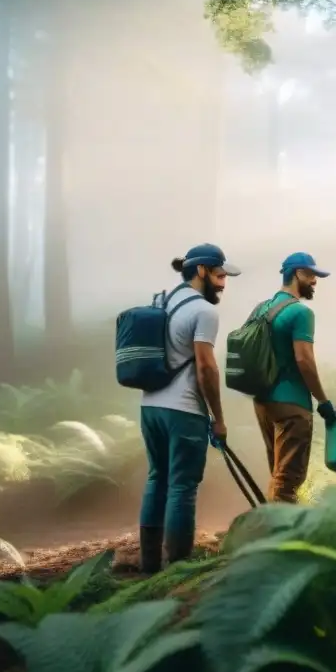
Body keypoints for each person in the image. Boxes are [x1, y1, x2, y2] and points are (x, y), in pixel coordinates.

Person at [140, 243, 240, 572]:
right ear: (201, 271)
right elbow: (207, 368)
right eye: (219, 275)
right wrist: (219, 419)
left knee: (158, 478)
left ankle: (150, 563)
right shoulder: (204, 311)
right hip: (183, 411)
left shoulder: (161, 301)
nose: (224, 283)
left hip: (150, 406)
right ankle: (179, 567)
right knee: (183, 484)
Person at [253, 252, 336, 503]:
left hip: (263, 402)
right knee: (287, 482)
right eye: (311, 275)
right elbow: (304, 360)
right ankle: (280, 540)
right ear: (297, 273)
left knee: (277, 473)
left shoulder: (262, 308)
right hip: (292, 405)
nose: (314, 281)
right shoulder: (300, 313)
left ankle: (272, 530)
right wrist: (323, 400)